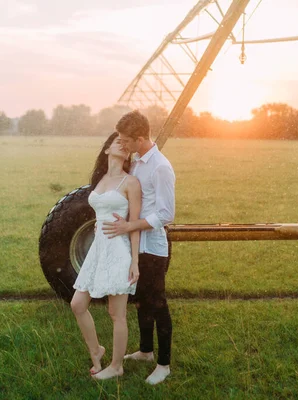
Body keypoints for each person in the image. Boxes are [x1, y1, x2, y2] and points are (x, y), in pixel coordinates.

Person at [102, 110, 176, 385]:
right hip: (134, 244)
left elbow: (166, 214)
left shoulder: (160, 167)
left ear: (141, 138)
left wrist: (131, 226)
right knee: (142, 299)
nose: (123, 145)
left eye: (126, 140)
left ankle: (164, 364)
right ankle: (145, 351)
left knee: (157, 303)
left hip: (153, 247)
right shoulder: (137, 163)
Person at [70, 131, 142, 380]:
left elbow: (134, 224)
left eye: (126, 143)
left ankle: (116, 366)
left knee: (116, 314)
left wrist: (135, 260)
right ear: (107, 149)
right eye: (117, 142)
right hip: (98, 249)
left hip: (119, 249)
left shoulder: (130, 183)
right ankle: (96, 350)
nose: (123, 145)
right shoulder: (99, 179)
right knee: (77, 304)